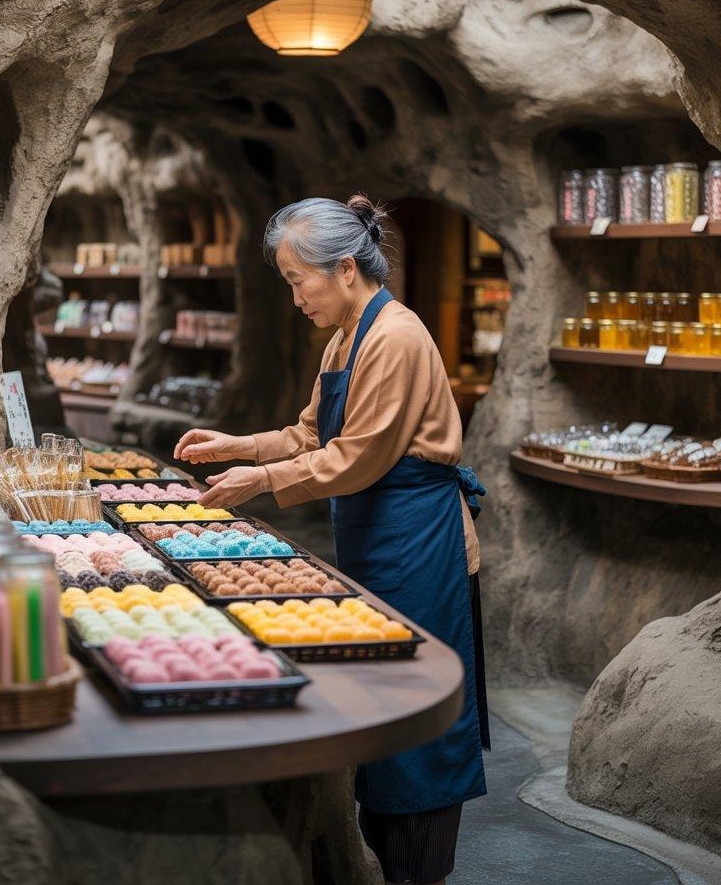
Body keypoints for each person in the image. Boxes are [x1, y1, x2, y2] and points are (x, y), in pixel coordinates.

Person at [173, 193, 490, 885]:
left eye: (298, 281)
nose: (295, 299)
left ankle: (418, 871)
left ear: (345, 267)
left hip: (419, 539)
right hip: (377, 531)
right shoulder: (346, 336)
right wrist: (239, 445)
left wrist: (261, 481)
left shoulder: (395, 336)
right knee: (379, 700)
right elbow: (313, 435)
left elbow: (359, 457)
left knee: (417, 717)